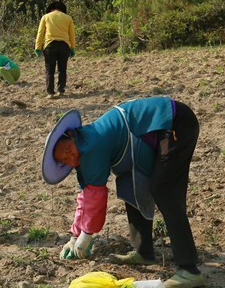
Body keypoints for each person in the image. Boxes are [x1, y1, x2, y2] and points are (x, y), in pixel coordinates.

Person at [42, 96, 203, 288]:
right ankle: (144, 252)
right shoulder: (84, 145)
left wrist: (85, 236)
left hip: (173, 123)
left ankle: (189, 270)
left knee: (163, 188)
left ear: (71, 135)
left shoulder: (92, 145)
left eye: (67, 149)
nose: (71, 157)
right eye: (64, 159)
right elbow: (85, 194)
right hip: (160, 130)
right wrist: (74, 236)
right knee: (130, 185)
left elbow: (96, 198)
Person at [34, 1, 75, 99]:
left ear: (51, 9)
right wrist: (72, 48)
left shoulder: (46, 17)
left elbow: (40, 33)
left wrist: (38, 48)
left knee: (49, 70)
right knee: (62, 69)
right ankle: (61, 90)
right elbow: (72, 35)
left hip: (50, 45)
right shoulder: (68, 18)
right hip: (64, 46)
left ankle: (50, 93)